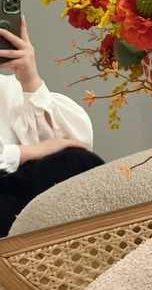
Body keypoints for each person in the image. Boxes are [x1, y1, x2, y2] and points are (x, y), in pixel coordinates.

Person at [0, 16, 102, 236]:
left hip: (29, 223)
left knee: (76, 162)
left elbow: (77, 154)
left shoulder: (11, 91)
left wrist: (30, 80)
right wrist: (26, 152)